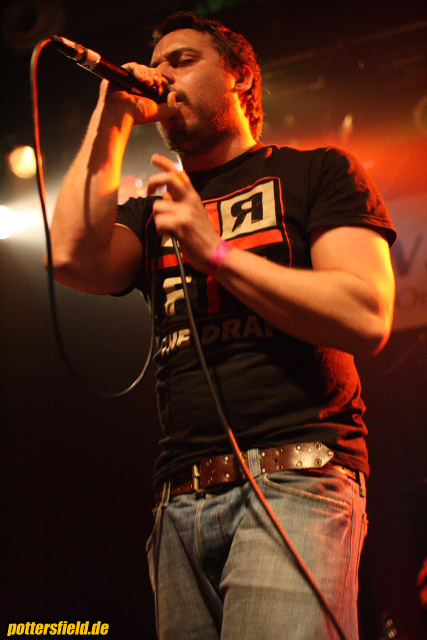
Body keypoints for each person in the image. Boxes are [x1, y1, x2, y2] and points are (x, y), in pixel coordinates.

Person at [50, 11, 396, 640]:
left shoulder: (318, 171)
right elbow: (73, 258)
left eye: (182, 61)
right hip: (179, 499)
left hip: (297, 478)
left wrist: (215, 253)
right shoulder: (152, 211)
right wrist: (111, 117)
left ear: (240, 77)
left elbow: (365, 313)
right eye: (157, 64)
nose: (162, 75)